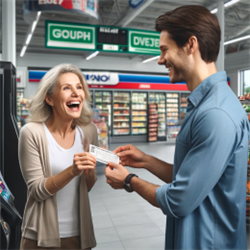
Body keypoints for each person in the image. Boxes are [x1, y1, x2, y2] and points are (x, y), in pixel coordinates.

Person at [105, 5, 249, 250]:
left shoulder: (215, 113)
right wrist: (146, 160)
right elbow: (191, 179)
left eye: (164, 50)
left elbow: (178, 200)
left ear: (191, 45)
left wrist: (129, 180)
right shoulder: (204, 104)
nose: (160, 59)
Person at [19, 64, 98, 250]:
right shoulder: (31, 133)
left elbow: (86, 187)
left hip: (80, 234)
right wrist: (72, 170)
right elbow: (37, 190)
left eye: (79, 87)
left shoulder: (89, 132)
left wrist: (89, 174)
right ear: (49, 99)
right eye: (66, 88)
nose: (76, 93)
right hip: (40, 237)